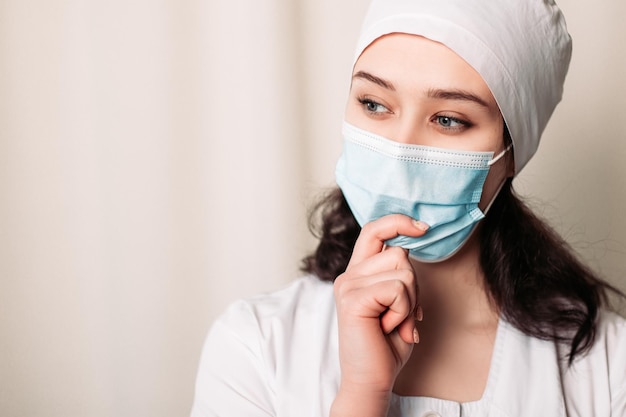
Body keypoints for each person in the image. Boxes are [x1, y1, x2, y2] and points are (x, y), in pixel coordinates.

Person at [190, 0, 626, 416]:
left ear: (510, 153)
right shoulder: (255, 346)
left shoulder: (608, 366)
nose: (399, 149)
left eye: (449, 119)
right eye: (373, 104)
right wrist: (362, 396)